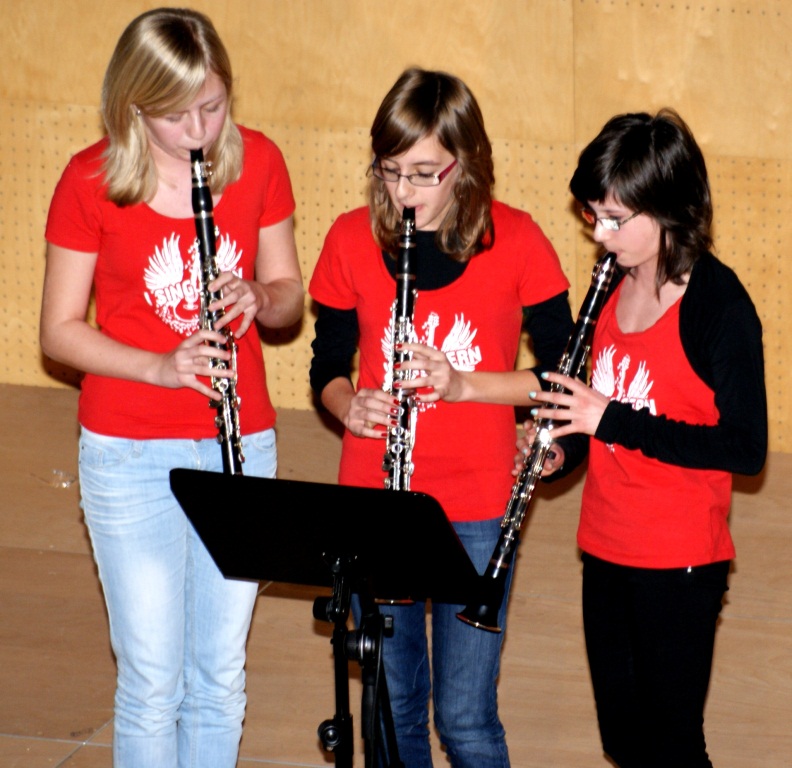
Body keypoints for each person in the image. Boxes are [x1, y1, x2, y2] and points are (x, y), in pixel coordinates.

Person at [39, 8, 303, 767]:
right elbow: (59, 331)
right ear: (133, 107)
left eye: (213, 107)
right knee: (153, 681)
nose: (199, 130)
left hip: (238, 441)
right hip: (128, 448)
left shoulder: (259, 162)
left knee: (218, 676)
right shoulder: (90, 180)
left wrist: (258, 294)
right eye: (175, 115)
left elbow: (289, 297)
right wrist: (161, 366)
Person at [308, 68, 574, 768]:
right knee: (392, 708)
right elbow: (326, 364)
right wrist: (346, 403)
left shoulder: (519, 240)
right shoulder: (349, 239)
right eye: (391, 171)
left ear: (468, 162)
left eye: (426, 174)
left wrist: (462, 385)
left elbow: (565, 376)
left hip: (478, 504)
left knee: (464, 718)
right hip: (378, 500)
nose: (405, 192)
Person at [522, 108, 767, 768]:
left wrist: (612, 420)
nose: (599, 235)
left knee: (673, 746)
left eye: (614, 218)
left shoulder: (719, 305)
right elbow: (593, 412)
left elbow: (744, 448)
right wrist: (560, 451)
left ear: (667, 208)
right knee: (624, 743)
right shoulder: (609, 285)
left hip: (680, 559)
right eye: (593, 216)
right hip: (605, 547)